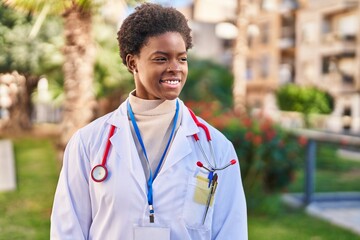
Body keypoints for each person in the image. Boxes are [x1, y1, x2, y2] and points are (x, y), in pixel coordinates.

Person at [50, 3, 247, 240]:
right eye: (161, 59)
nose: (175, 68)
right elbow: (67, 231)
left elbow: (231, 231)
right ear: (133, 63)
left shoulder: (216, 148)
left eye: (182, 59)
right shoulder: (87, 143)